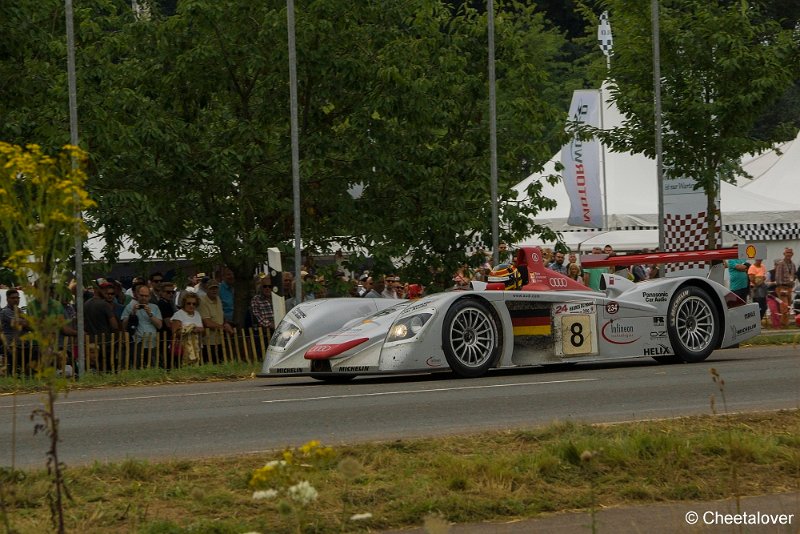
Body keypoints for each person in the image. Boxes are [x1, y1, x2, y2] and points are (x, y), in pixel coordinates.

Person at [121, 285, 163, 368]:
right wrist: (132, 313)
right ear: (137, 295)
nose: (144, 298)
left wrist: (150, 314)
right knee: (137, 366)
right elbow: (123, 326)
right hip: (137, 342)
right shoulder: (130, 307)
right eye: (141, 295)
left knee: (152, 366)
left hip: (152, 342)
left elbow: (159, 325)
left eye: (146, 296)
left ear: (150, 296)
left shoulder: (154, 307)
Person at [84, 282, 121, 371]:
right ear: (99, 290)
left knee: (94, 368)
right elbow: (114, 325)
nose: (107, 293)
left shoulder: (86, 303)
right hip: (105, 342)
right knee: (107, 367)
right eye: (105, 290)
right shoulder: (104, 305)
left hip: (92, 343)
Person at [198, 279, 233, 364]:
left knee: (221, 363)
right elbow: (207, 322)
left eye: (216, 288)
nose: (214, 290)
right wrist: (223, 328)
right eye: (211, 288)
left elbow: (221, 316)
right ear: (206, 289)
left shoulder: (218, 299)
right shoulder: (202, 301)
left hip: (220, 339)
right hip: (208, 341)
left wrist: (226, 323)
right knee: (210, 364)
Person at [171, 293, 204, 364]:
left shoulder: (197, 314)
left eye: (194, 304)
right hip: (182, 349)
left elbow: (202, 330)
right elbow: (174, 333)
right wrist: (190, 329)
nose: (191, 305)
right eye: (188, 303)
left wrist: (199, 329)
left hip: (196, 348)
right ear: (184, 303)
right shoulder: (178, 314)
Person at [773, 248, 796, 327]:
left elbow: (794, 275)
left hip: (789, 287)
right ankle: (783, 324)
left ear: (792, 254)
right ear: (784, 254)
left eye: (790, 252)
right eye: (787, 252)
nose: (788, 254)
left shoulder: (793, 264)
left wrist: (792, 284)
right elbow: (777, 277)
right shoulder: (781, 264)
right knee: (784, 306)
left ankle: (785, 323)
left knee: (788, 306)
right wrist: (781, 287)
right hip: (782, 287)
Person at [748, 258, 768, 323]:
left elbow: (764, 277)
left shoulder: (763, 266)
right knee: (758, 306)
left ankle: (759, 321)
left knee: (764, 306)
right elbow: (752, 279)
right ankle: (756, 321)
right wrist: (759, 280)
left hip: (762, 287)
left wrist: (761, 279)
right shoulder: (752, 267)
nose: (759, 261)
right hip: (755, 288)